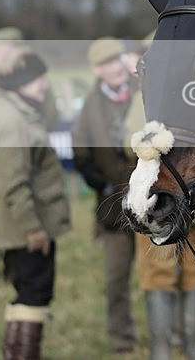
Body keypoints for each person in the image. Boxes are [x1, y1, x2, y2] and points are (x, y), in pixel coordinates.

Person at [0, 48, 70, 359]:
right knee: (35, 296)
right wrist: (34, 230)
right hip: (29, 228)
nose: (44, 84)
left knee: (26, 295)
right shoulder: (13, 121)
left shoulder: (8, 110)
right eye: (36, 79)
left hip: (18, 225)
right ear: (18, 82)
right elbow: (13, 184)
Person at [124, 33, 195, 360]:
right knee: (164, 276)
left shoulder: (174, 97)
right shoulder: (167, 98)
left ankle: (188, 349)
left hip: (182, 201)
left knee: (189, 273)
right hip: (159, 202)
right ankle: (166, 352)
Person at [0, 26, 59, 295]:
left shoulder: (37, 80)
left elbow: (50, 119)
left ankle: (15, 273)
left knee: (23, 217)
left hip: (27, 164)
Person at [71, 37, 138, 354]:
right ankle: (122, 340)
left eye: (118, 59)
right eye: (108, 63)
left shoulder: (144, 92)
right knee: (115, 281)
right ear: (96, 69)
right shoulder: (89, 107)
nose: (116, 67)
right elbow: (80, 150)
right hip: (114, 212)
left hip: (155, 204)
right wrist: (94, 177)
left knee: (165, 277)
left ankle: (174, 334)